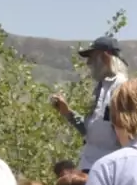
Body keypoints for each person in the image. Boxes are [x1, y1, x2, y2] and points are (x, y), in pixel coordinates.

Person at [50, 36, 128, 173]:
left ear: (105, 57)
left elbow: (126, 132)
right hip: (92, 164)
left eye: (92, 58)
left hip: (110, 166)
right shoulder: (101, 87)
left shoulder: (121, 87)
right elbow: (91, 130)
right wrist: (67, 112)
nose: (88, 63)